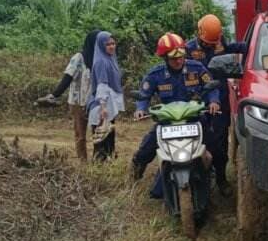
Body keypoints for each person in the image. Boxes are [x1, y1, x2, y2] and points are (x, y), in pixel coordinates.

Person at [129, 32, 222, 194]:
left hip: (194, 119)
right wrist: (140, 109)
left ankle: (220, 180)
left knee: (217, 148)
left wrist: (214, 101)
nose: (179, 61)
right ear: (165, 58)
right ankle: (134, 178)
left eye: (181, 56)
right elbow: (144, 96)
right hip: (167, 121)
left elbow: (211, 87)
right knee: (146, 148)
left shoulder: (197, 68)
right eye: (174, 58)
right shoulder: (155, 75)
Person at [186, 14, 247, 196]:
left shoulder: (223, 43)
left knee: (220, 142)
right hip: (196, 101)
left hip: (220, 102)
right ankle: (196, 179)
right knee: (195, 139)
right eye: (208, 42)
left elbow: (243, 47)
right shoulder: (188, 49)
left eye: (214, 41)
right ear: (199, 33)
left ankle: (221, 179)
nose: (211, 45)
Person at [36, 29, 100, 163]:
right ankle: (83, 162)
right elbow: (67, 78)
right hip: (78, 102)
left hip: (95, 102)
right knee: (80, 134)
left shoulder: (102, 58)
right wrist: (54, 95)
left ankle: (98, 162)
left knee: (98, 134)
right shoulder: (79, 58)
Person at [87, 31, 124, 162]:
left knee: (109, 140)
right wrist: (103, 108)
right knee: (101, 143)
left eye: (113, 43)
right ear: (101, 46)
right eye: (108, 44)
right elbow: (102, 86)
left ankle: (108, 170)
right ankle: (98, 174)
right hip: (101, 108)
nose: (111, 46)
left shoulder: (110, 59)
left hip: (108, 106)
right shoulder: (101, 62)